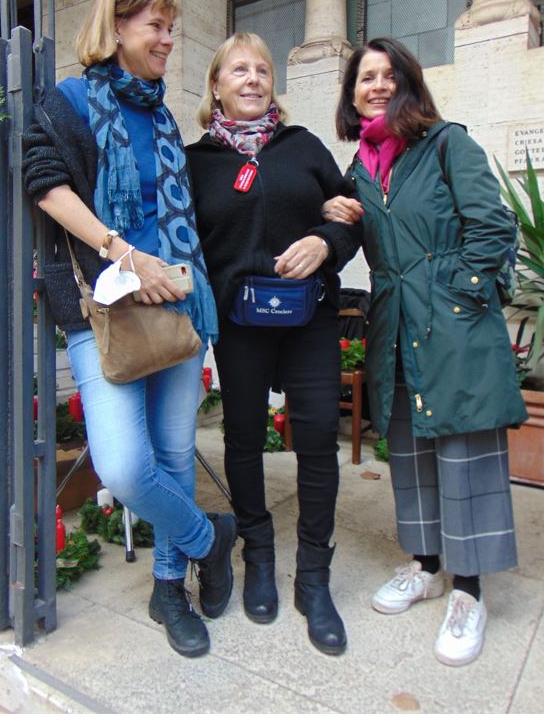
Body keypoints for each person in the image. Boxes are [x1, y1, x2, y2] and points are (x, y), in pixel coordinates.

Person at [22, 0, 237, 659]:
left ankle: (169, 588)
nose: (169, 41)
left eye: (172, 29)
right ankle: (210, 539)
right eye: (157, 28)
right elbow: (45, 185)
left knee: (174, 454)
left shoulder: (163, 115)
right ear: (117, 28)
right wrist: (126, 257)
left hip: (176, 304)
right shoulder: (70, 102)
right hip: (104, 308)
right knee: (120, 465)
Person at [324, 37, 528, 666]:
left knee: (463, 452)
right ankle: (428, 567)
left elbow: (493, 226)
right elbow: (351, 235)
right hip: (394, 324)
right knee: (410, 452)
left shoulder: (447, 144)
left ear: (409, 83)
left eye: (389, 75)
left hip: (454, 324)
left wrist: (458, 295)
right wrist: (330, 211)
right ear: (352, 94)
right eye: (365, 78)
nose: (377, 86)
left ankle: (469, 592)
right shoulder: (359, 170)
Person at [185, 32, 362, 656]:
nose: (254, 78)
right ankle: (257, 552)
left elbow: (351, 213)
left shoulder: (303, 146)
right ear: (217, 86)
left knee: (316, 439)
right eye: (239, 69)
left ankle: (313, 577)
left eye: (262, 69)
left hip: (309, 316)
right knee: (242, 438)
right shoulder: (195, 162)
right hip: (240, 323)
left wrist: (325, 243)